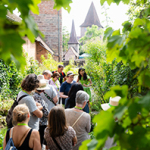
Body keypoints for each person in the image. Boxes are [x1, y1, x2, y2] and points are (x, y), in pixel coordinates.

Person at [33, 75, 49, 146]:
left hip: (37, 122)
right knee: (39, 142)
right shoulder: (38, 97)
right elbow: (45, 112)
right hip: (41, 123)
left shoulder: (33, 95)